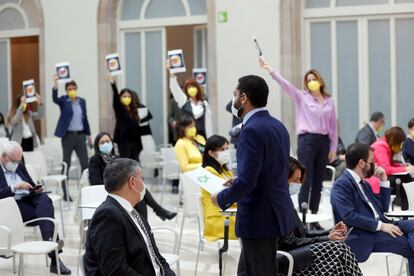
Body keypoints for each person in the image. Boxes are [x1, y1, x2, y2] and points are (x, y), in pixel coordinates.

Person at [211, 75, 296, 276]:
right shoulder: (278, 126)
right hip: (275, 213)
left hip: (259, 218)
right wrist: (238, 180)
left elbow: (249, 181)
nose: (233, 100)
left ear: (243, 98)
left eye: (234, 95)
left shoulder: (251, 130)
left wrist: (221, 198)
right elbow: (272, 170)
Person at [259, 57, 338, 230]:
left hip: (323, 141)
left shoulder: (329, 101)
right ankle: (302, 218)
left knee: (319, 182)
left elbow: (333, 126)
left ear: (320, 81)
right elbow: (285, 85)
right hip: (307, 140)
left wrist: (333, 147)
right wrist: (270, 70)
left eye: (314, 79)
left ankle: (314, 217)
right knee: (305, 179)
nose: (311, 82)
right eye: (308, 80)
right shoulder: (302, 97)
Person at [331, 143, 414, 275]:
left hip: (382, 226)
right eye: (372, 161)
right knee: (409, 247)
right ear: (362, 163)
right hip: (363, 235)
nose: (375, 164)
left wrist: (383, 181)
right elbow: (349, 216)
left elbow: (382, 209)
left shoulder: (364, 183)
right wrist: (381, 226)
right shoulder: (341, 185)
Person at [83, 158, 176, 276]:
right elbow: (115, 271)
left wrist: (168, 273)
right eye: (141, 178)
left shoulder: (132, 210)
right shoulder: (108, 216)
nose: (143, 184)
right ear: (133, 182)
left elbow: (154, 255)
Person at [277, 157, 362, 276]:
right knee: (339, 249)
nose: (299, 184)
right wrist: (327, 238)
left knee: (340, 263)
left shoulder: (286, 200)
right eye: (295, 180)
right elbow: (290, 242)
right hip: (286, 256)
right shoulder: (279, 203)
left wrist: (329, 233)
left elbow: (303, 233)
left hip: (295, 251)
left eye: (300, 180)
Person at [0, 141, 71, 274]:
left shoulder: (20, 166)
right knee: (45, 216)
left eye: (18, 162)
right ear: (3, 157)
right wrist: (14, 187)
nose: (17, 165)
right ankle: (54, 254)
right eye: (14, 161)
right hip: (11, 206)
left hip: (28, 199)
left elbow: (31, 184)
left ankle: (50, 243)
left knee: (44, 199)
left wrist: (35, 189)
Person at [88, 132, 176, 221]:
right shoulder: (94, 160)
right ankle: (158, 211)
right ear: (97, 146)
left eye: (107, 141)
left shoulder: (117, 159)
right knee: (137, 191)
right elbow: (95, 181)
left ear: (111, 143)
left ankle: (144, 226)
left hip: (120, 189)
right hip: (107, 191)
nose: (105, 144)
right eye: (102, 143)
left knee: (139, 194)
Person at [52, 76, 92, 201]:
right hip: (68, 137)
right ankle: (65, 193)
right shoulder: (64, 101)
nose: (72, 90)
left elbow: (85, 118)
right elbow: (55, 99)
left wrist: (89, 135)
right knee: (66, 165)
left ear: (77, 89)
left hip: (81, 136)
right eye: (70, 89)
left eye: (74, 88)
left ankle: (86, 191)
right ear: (66, 90)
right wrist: (55, 84)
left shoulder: (82, 101)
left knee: (85, 165)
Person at [201, 135, 237, 241]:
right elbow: (226, 195)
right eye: (222, 150)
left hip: (230, 212)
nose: (225, 152)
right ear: (211, 153)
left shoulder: (227, 171)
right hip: (219, 217)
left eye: (226, 149)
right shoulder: (208, 171)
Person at [369, 127, 414, 209]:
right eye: (399, 143)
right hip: (375, 178)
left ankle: (408, 208)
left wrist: (403, 166)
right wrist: (406, 169)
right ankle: (408, 208)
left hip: (380, 176)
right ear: (395, 140)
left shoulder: (385, 145)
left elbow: (389, 164)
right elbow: (386, 169)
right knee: (406, 179)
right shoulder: (381, 147)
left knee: (406, 178)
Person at [167, 61, 212, 138]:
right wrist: (171, 72)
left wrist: (210, 139)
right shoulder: (184, 101)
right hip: (187, 137)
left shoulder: (204, 103)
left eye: (193, 87)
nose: (191, 89)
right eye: (189, 87)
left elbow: (208, 124)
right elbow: (175, 89)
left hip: (202, 137)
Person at [109, 78, 143, 160]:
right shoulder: (120, 109)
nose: (127, 98)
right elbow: (116, 98)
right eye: (124, 96)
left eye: (129, 96)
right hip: (124, 143)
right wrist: (113, 84)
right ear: (120, 98)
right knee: (125, 165)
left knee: (134, 166)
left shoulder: (133, 110)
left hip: (135, 143)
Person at [174, 114, 206, 194]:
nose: (193, 129)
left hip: (206, 172)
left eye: (194, 126)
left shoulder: (200, 138)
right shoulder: (181, 143)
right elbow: (184, 167)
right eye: (190, 127)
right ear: (182, 128)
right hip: (192, 176)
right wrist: (202, 165)